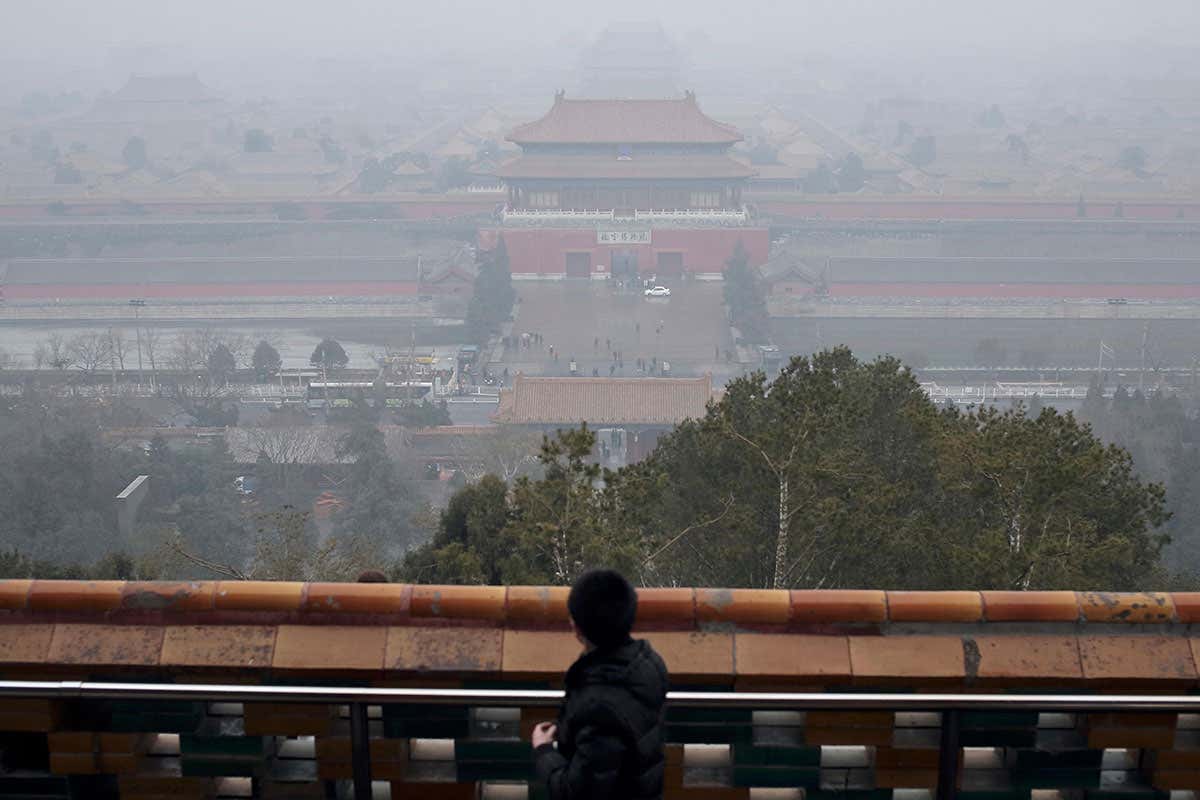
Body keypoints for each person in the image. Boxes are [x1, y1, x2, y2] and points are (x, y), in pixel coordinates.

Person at [532, 570, 668, 800]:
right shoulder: (649, 664)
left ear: (576, 628)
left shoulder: (598, 706)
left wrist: (544, 751)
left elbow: (575, 791)